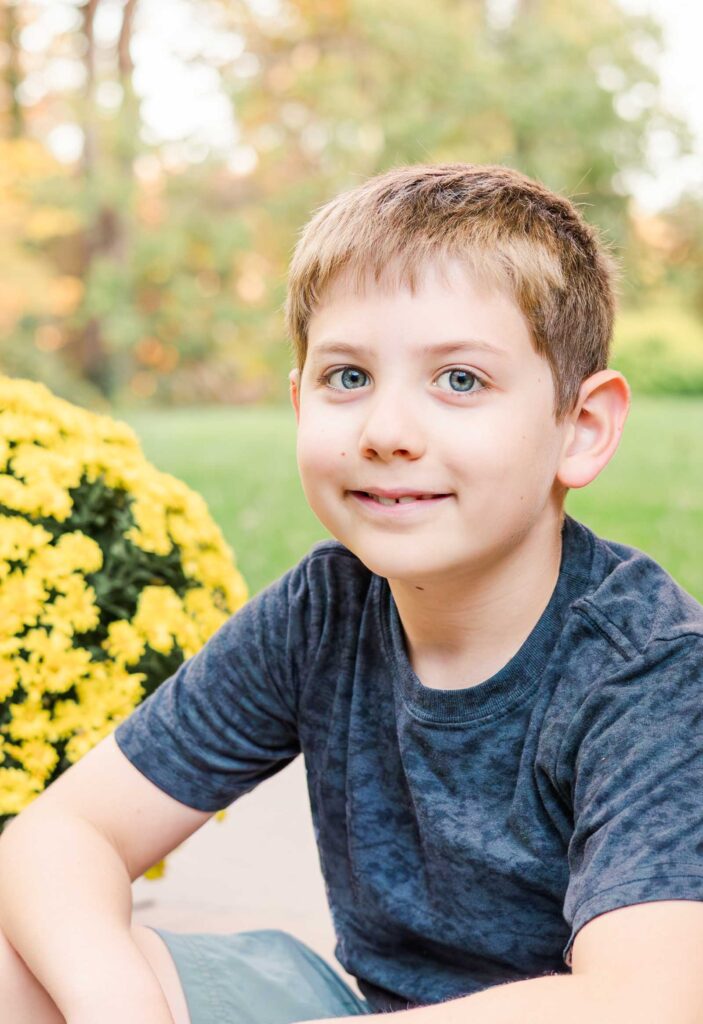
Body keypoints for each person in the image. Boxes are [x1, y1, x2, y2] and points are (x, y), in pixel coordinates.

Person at [1, 163, 702, 1024]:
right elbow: (62, 832)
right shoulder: (325, 609)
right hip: (361, 1010)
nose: (386, 432)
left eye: (459, 380)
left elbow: (647, 1004)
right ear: (300, 405)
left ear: (580, 429)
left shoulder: (648, 670)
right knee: (26, 965)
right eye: (347, 378)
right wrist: (115, 1005)